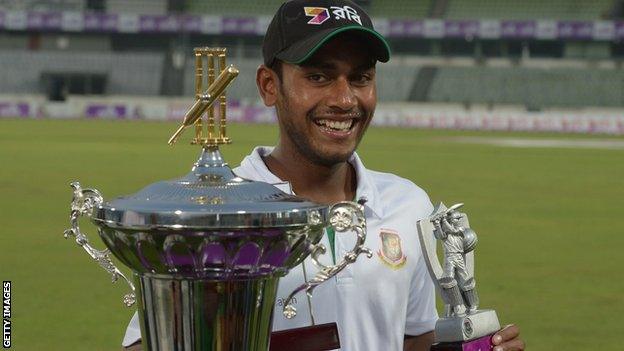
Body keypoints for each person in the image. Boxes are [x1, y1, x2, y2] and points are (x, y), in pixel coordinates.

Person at [123, 1, 525, 350]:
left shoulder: (408, 203)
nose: (345, 99)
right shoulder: (215, 213)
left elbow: (413, 337)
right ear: (269, 86)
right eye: (318, 76)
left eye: (361, 77)